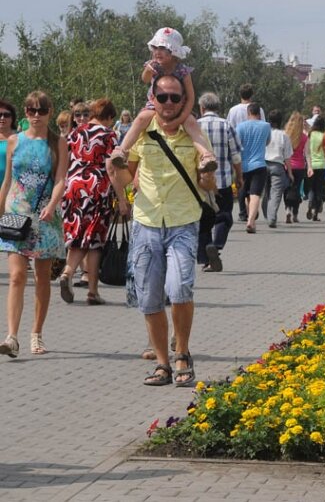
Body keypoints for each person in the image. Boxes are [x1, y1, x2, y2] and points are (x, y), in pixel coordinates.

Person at [107, 74, 216, 386]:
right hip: (146, 222)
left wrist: (207, 175)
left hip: (183, 221)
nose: (169, 103)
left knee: (180, 288)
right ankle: (163, 364)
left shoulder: (193, 134)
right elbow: (127, 175)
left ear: (183, 101)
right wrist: (121, 182)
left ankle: (182, 352)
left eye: (174, 98)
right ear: (152, 99)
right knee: (149, 297)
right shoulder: (141, 132)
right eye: (163, 97)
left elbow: (209, 182)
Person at [0, 91, 67, 358]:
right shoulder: (15, 141)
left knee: (41, 278)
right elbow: (7, 180)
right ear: (25, 113)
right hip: (16, 213)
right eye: (30, 110)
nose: (35, 115)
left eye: (41, 110)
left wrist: (52, 205)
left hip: (44, 218)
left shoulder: (57, 142)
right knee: (16, 276)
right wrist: (1, 208)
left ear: (50, 111)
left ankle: (36, 333)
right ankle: (11, 336)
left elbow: (61, 178)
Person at [110, 27, 216, 173]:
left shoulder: (182, 71)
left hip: (180, 105)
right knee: (141, 119)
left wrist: (180, 119)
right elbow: (144, 79)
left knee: (191, 124)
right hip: (155, 105)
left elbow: (191, 98)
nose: (157, 52)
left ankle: (206, 155)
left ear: (173, 52)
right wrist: (147, 70)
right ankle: (122, 151)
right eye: (155, 47)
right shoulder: (153, 65)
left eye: (162, 48)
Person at [59, 98, 129, 305]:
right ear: (108, 117)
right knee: (95, 241)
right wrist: (122, 200)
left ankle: (68, 273)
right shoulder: (109, 135)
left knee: (77, 234)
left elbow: (65, 159)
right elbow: (111, 168)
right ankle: (91, 290)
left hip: (72, 187)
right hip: (96, 188)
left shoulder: (75, 132)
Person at [196, 92, 243, 272]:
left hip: (200, 184)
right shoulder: (226, 125)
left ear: (202, 108)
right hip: (222, 181)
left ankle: (205, 259)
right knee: (224, 217)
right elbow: (236, 156)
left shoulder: (195, 125)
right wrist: (239, 176)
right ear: (217, 107)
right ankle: (216, 245)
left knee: (203, 221)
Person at [236, 102, 271, 234]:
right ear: (259, 113)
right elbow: (267, 142)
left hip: (244, 165)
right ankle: (251, 221)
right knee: (255, 194)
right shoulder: (266, 126)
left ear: (248, 112)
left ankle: (249, 217)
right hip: (259, 164)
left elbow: (237, 144)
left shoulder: (240, 126)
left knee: (245, 193)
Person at [262, 110, 293, 228]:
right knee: (276, 193)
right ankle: (272, 217)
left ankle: (267, 215)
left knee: (266, 192)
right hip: (277, 166)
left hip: (263, 164)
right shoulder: (284, 135)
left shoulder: (264, 133)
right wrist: (290, 173)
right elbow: (287, 157)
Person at [283, 112, 309, 224]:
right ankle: (295, 214)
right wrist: (310, 167)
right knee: (297, 189)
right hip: (299, 167)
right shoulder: (304, 137)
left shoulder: (285, 135)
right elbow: (307, 153)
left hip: (286, 166)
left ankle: (287, 209)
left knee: (287, 189)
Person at [306, 117, 325, 222]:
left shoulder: (311, 135)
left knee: (311, 188)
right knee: (320, 189)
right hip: (323, 165)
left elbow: (307, 151)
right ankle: (316, 214)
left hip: (312, 165)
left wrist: (309, 165)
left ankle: (310, 202)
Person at [0, 100, 18, 185]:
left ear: (12, 118)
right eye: (0, 115)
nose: (2, 118)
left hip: (13, 188)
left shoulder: (20, 138)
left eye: (6, 115)